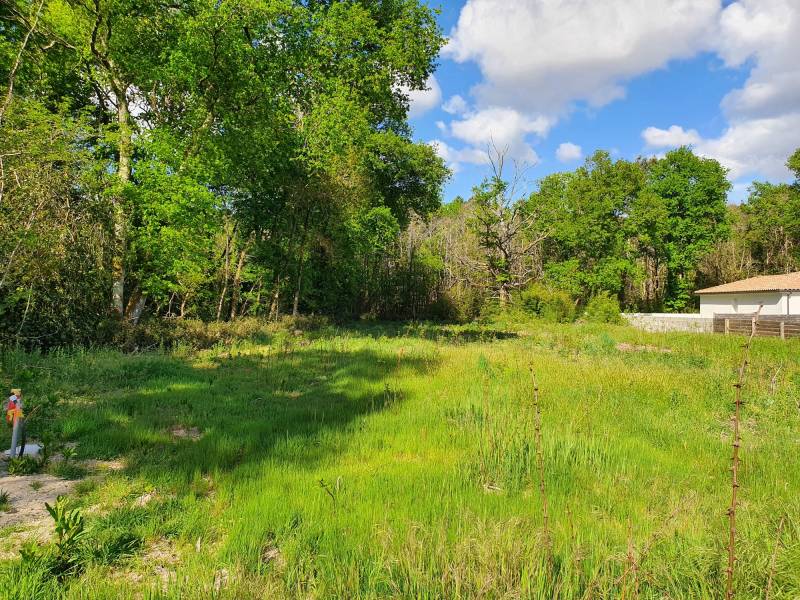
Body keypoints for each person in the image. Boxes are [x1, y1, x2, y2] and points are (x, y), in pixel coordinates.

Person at [6, 388, 25, 458]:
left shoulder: (15, 398)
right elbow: (17, 405)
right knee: (15, 429)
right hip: (13, 414)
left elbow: (18, 405)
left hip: (15, 414)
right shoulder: (13, 398)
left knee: (16, 429)